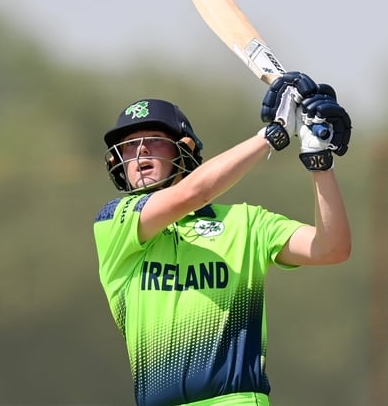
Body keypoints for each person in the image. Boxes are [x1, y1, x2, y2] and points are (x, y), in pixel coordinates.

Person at [92, 71, 353, 406]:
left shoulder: (246, 223)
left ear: (183, 151)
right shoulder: (114, 223)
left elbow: (332, 248)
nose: (140, 152)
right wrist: (271, 135)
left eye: (154, 140)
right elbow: (193, 193)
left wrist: (319, 161)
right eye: (129, 145)